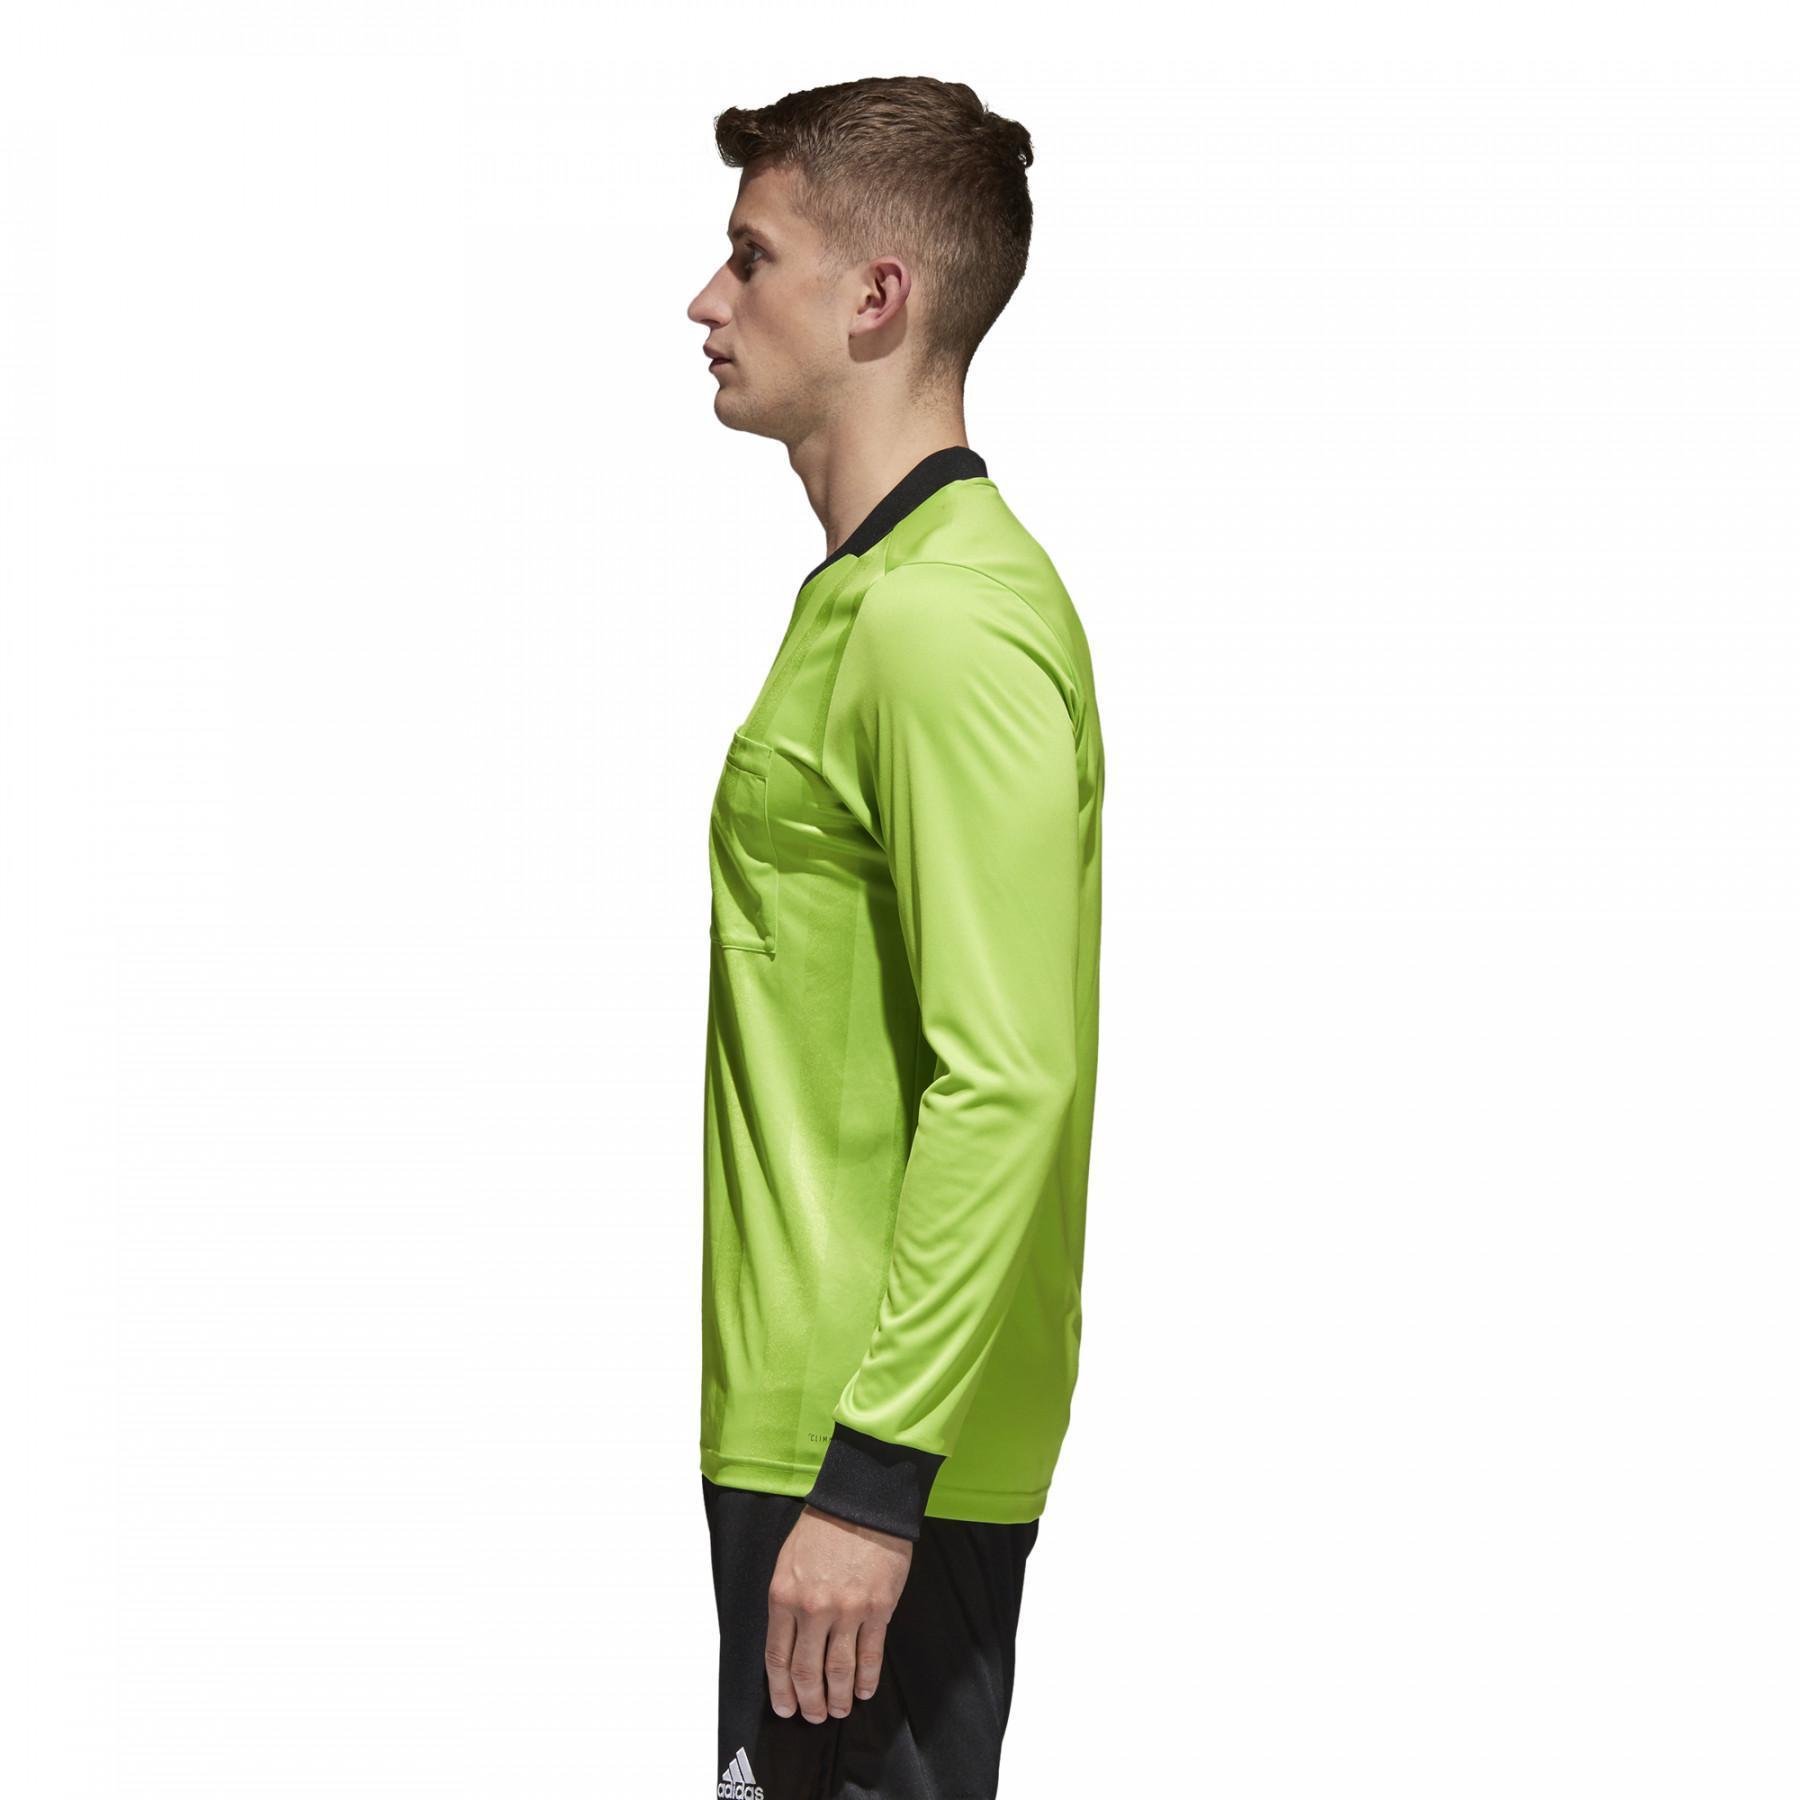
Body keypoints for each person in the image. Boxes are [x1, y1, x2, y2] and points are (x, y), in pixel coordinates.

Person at [685, 75, 1104, 1800]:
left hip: (866, 1473)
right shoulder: (868, 598)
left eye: (749, 258)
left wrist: (871, 1481)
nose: (705, 301)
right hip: (822, 1449)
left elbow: (1009, 1077)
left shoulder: (943, 625)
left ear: (877, 296)